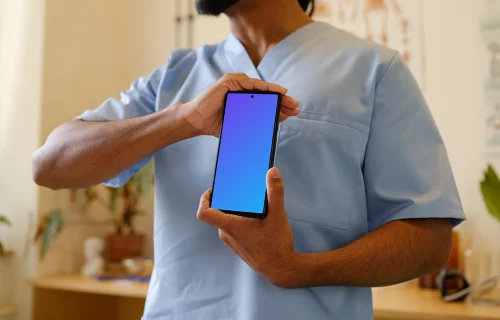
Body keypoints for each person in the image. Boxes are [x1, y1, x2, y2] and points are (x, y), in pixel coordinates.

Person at [33, 0, 465, 319]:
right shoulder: (174, 79)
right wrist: (182, 119)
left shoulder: (374, 70)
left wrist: (296, 269)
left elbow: (430, 240)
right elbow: (50, 164)